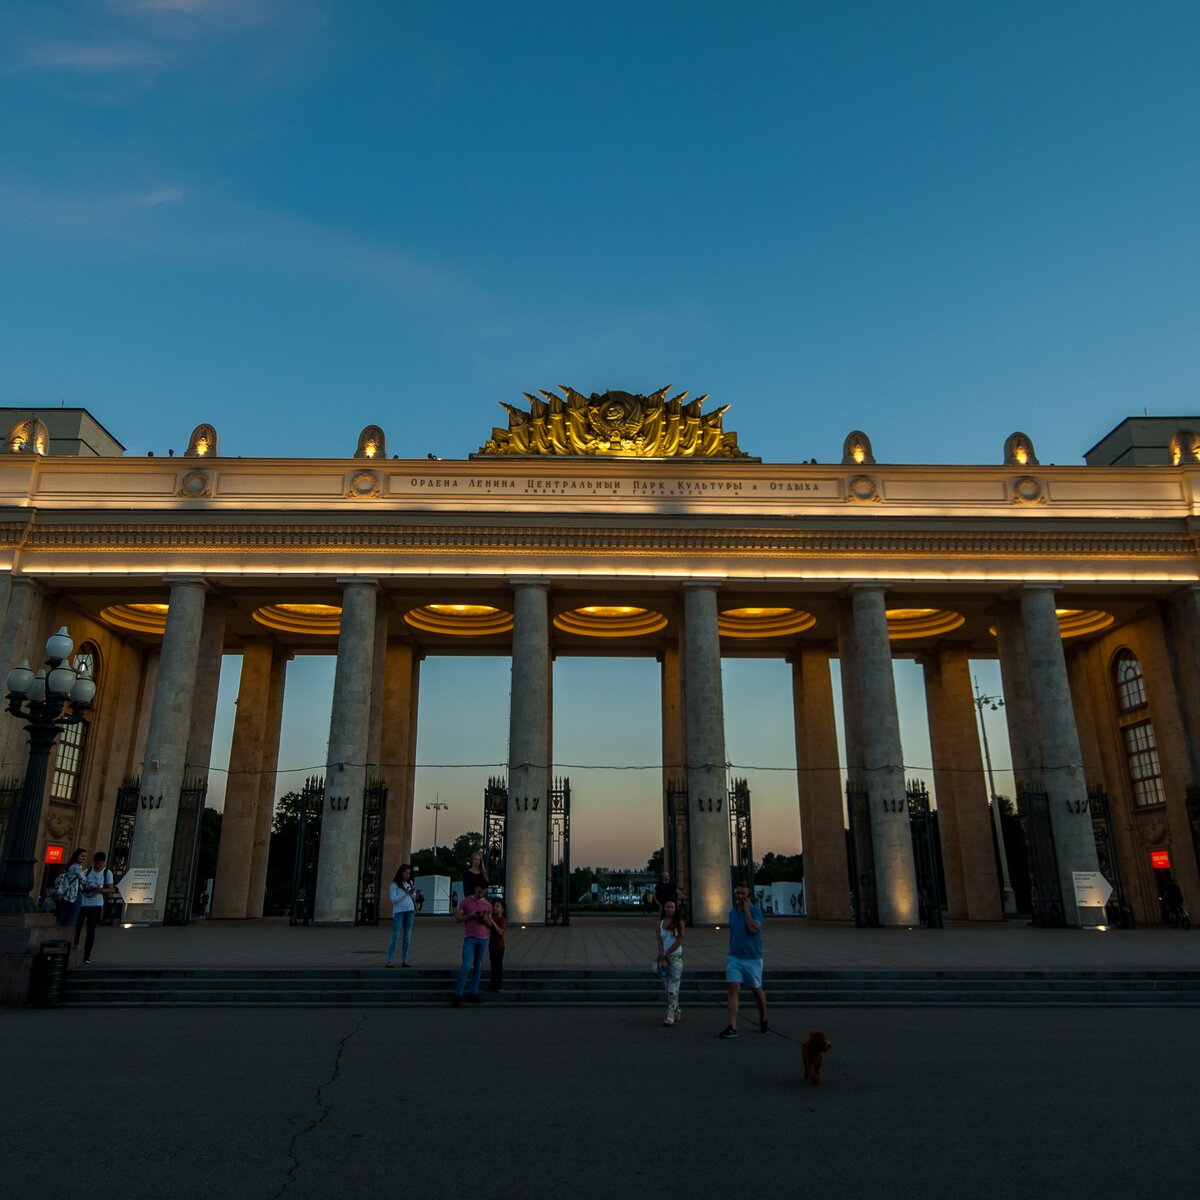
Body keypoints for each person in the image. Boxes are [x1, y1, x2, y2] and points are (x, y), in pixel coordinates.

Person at [719, 880, 767, 1039]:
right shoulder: (732, 913)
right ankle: (732, 1026)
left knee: (756, 990)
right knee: (733, 987)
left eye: (743, 894)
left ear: (748, 896)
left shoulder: (755, 911)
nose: (739, 896)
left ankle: (763, 1018)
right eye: (738, 892)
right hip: (735, 958)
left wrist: (746, 910)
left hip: (752, 958)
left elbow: (753, 929)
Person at [452, 880, 496, 1007]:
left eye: (483, 892)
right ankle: (458, 994)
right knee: (466, 965)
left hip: (482, 938)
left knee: (478, 966)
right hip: (470, 937)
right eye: (479, 891)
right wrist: (470, 916)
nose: (481, 894)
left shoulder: (488, 905)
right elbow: (457, 918)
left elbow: (489, 925)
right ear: (475, 889)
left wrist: (486, 920)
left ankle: (473, 992)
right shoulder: (466, 901)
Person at [74, 851, 114, 964]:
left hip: (96, 905)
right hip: (83, 903)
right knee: (77, 927)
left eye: (99, 864)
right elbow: (80, 886)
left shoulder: (107, 873)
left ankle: (87, 955)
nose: (97, 866)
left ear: (103, 862)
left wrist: (100, 890)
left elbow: (111, 889)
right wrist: (86, 888)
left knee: (91, 930)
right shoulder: (87, 871)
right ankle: (74, 946)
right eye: (96, 863)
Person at [656, 897, 685, 1026]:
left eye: (672, 907)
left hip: (676, 957)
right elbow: (660, 942)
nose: (669, 909)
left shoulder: (679, 923)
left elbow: (679, 940)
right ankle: (677, 1009)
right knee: (668, 987)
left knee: (673, 986)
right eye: (667, 906)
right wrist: (662, 956)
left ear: (675, 908)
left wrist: (666, 953)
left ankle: (670, 1015)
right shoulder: (660, 924)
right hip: (664, 958)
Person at [386, 864, 417, 967]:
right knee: (395, 936)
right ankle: (389, 959)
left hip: (410, 910)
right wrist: (405, 893)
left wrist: (412, 892)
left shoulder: (409, 883)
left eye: (409, 873)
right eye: (406, 873)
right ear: (401, 873)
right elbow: (393, 900)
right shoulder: (394, 885)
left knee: (407, 937)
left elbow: (413, 896)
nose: (408, 875)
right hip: (399, 911)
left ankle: (405, 959)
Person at [55, 848, 89, 929]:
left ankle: (60, 936)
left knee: (63, 917)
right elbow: (84, 880)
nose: (84, 858)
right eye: (82, 856)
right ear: (77, 856)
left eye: (85, 856)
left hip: (65, 895)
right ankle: (67, 937)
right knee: (72, 919)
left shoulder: (69, 866)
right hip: (74, 895)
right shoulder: (77, 868)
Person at [487, 897, 507, 992]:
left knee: (498, 965)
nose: (495, 908)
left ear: (502, 909)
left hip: (499, 946)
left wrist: (492, 921)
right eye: (494, 906)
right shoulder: (494, 918)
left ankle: (499, 984)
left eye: (497, 906)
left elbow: (500, 932)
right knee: (493, 965)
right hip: (492, 945)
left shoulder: (501, 920)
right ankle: (493, 984)